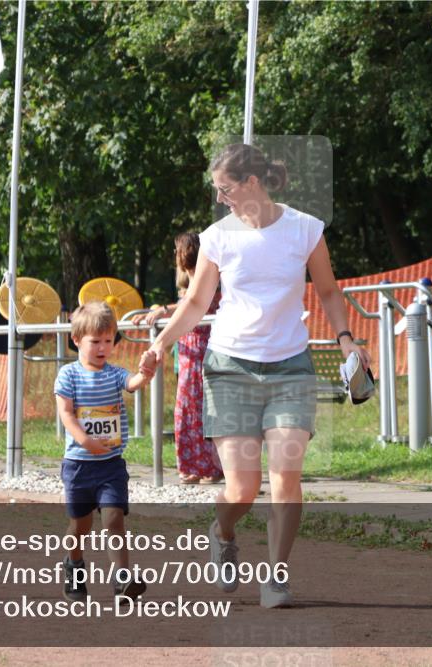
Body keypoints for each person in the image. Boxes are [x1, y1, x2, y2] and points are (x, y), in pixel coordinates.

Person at [141, 143, 370, 608]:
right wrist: (160, 343)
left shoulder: (304, 229)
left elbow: (328, 291)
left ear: (251, 183)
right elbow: (196, 302)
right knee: (242, 490)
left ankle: (276, 577)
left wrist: (346, 339)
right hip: (230, 370)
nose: (219, 198)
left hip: (291, 368)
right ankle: (223, 530)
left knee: (286, 477)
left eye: (225, 188)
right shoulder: (218, 237)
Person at [55, 301, 157, 602]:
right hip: (79, 466)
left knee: (113, 519)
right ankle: (73, 565)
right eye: (95, 341)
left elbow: (133, 383)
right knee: (80, 527)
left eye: (108, 340)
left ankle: (122, 581)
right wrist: (86, 441)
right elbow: (66, 414)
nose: (103, 348)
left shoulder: (114, 374)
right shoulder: (68, 375)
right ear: (77, 340)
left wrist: (146, 372)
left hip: (111, 465)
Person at [132, 233, 224, 485]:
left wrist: (164, 311)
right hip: (188, 353)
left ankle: (211, 466)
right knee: (188, 408)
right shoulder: (194, 281)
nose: (175, 256)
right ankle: (194, 465)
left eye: (177, 251)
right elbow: (186, 304)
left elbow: (197, 304)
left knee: (203, 408)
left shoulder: (212, 279)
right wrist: (159, 310)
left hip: (203, 352)